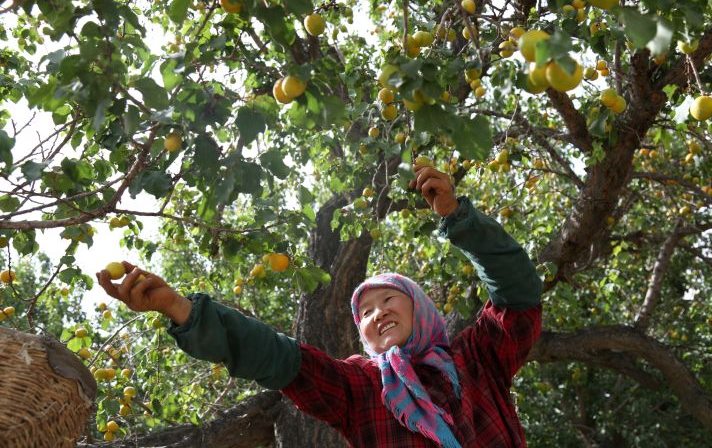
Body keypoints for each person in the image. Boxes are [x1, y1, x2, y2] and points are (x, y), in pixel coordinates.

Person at [97, 163, 543, 447]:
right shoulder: (361, 387)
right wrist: (181, 308)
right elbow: (277, 357)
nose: (377, 313)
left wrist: (459, 219)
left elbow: (517, 292)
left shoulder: (478, 357)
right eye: (365, 313)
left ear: (421, 309)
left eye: (389, 299)